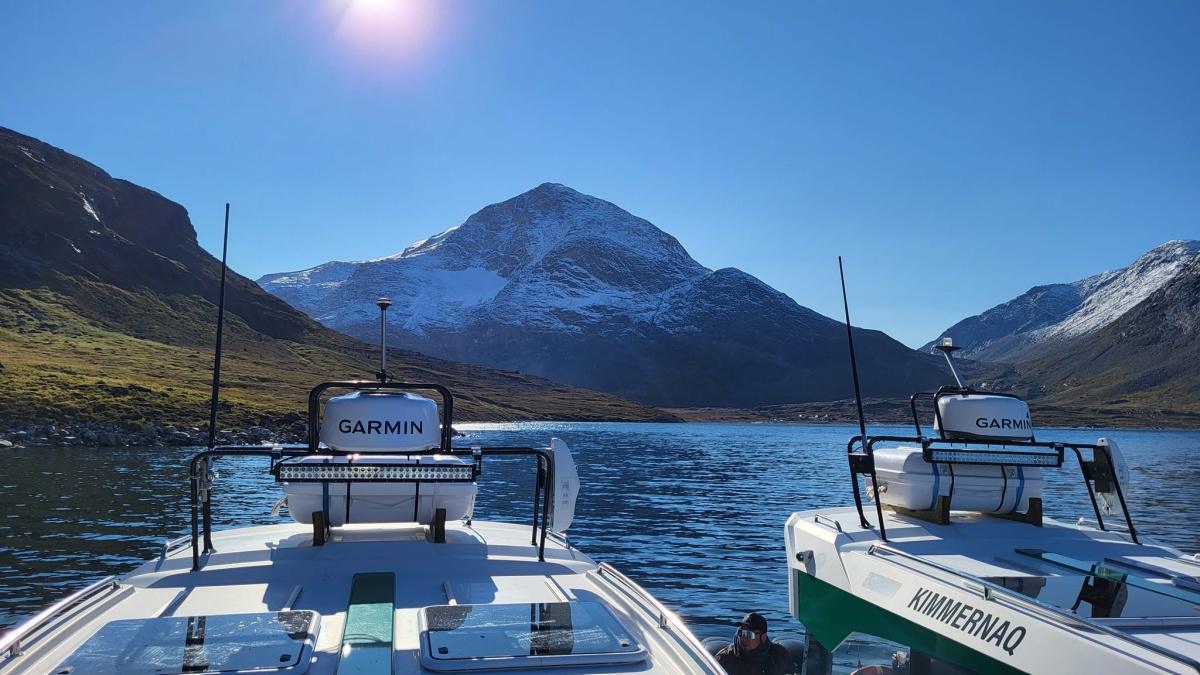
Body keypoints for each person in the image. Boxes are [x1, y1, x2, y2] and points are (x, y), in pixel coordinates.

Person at [714, 612, 794, 675]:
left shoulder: (780, 656)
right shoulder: (725, 659)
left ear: (763, 637)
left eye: (749, 634)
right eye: (741, 632)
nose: (744, 638)